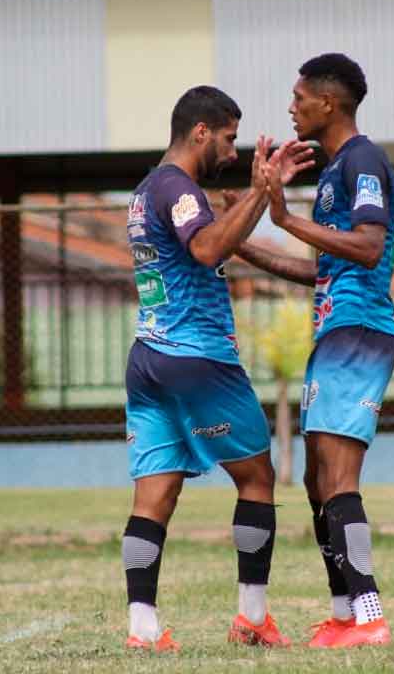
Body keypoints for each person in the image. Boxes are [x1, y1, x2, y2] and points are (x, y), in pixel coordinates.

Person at [121, 85, 314, 652]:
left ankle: (143, 630)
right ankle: (252, 618)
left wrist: (261, 193)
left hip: (148, 361)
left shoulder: (144, 190)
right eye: (228, 138)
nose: (231, 151)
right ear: (200, 131)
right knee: (257, 478)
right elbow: (207, 250)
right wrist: (260, 192)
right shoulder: (180, 189)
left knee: (154, 497)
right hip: (198, 359)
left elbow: (206, 246)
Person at [234, 54, 394, 648]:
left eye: (298, 96)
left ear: (328, 103)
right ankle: (344, 614)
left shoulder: (362, 160)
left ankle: (370, 615)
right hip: (336, 329)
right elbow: (323, 270)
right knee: (313, 479)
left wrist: (285, 216)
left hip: (359, 329)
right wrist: (245, 245)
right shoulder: (334, 172)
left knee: (337, 475)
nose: (290, 106)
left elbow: (365, 246)